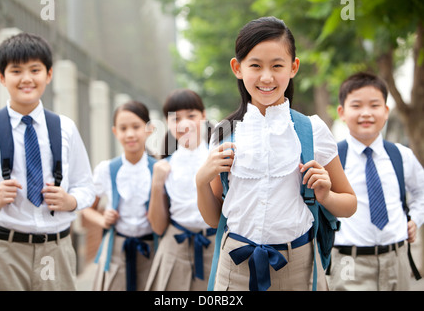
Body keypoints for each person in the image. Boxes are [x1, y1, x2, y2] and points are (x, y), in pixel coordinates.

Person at [195, 16, 357, 291]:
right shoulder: (224, 132)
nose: (266, 77)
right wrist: (201, 179)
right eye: (255, 65)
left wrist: (325, 195)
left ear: (293, 68)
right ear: (237, 68)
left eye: (277, 66)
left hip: (299, 267)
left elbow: (350, 204)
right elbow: (214, 219)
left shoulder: (312, 130)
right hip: (234, 268)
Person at [0, 32, 95, 290]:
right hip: (3, 249)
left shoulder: (66, 128)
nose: (26, 78)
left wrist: (70, 200)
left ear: (49, 75)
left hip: (56, 248)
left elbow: (86, 186)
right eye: (16, 71)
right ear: (1, 76)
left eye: (35, 70)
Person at [328, 72, 424, 291]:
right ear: (342, 112)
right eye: (356, 106)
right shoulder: (332, 157)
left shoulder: (401, 155)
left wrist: (415, 219)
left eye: (374, 105)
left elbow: (421, 192)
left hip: (396, 257)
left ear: (386, 111)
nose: (366, 113)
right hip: (348, 260)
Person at [145, 88, 216, 291]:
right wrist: (157, 184)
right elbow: (158, 227)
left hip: (214, 246)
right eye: (176, 118)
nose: (184, 124)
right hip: (174, 249)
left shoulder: (218, 159)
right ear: (167, 123)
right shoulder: (163, 167)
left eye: (191, 116)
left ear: (204, 116)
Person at [83, 101, 156, 291]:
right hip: (116, 248)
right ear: (115, 132)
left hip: (151, 248)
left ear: (149, 129)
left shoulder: (159, 168)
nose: (130, 134)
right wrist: (103, 220)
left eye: (136, 127)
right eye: (123, 128)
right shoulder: (106, 169)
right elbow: (87, 209)